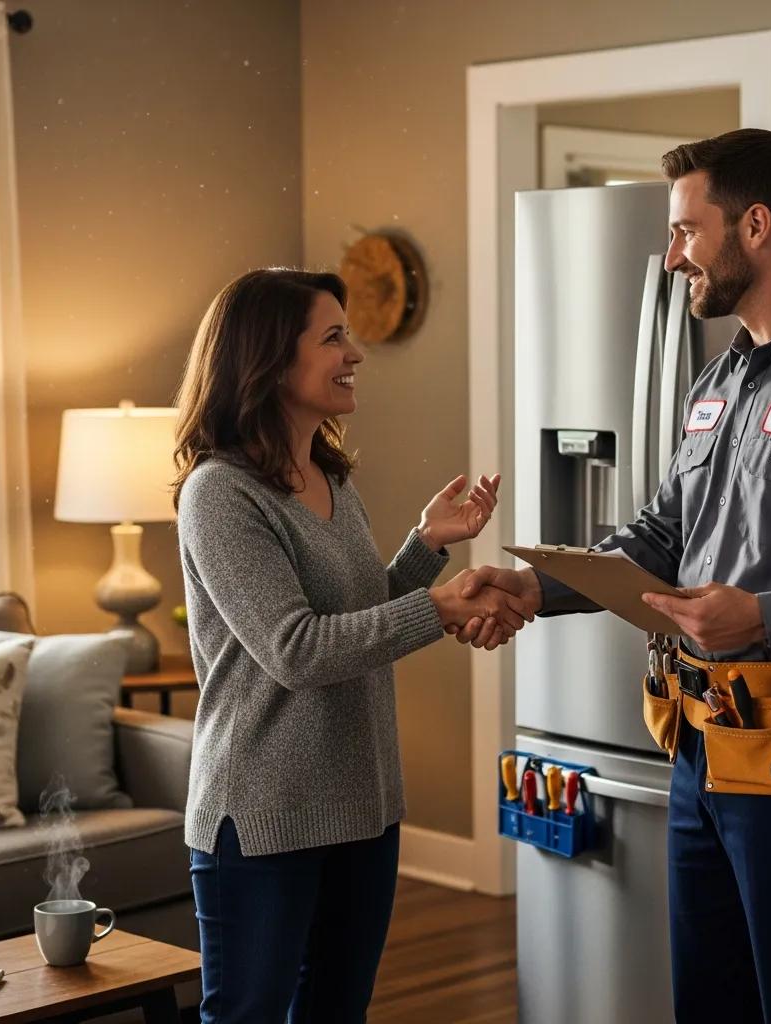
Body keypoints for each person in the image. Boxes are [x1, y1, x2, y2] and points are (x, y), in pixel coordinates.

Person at [454, 129, 771, 1023]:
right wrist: (539, 589)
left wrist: (764, 616)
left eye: (685, 230)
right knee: (708, 1001)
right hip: (698, 733)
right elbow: (662, 534)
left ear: (755, 227)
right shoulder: (718, 382)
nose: (671, 256)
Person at [171, 268, 528, 1024]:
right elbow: (297, 650)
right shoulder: (219, 494)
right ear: (268, 358)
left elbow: (356, 621)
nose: (355, 352)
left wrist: (426, 548)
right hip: (265, 814)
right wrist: (437, 606)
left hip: (363, 804)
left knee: (337, 1012)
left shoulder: (328, 474)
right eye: (333, 336)